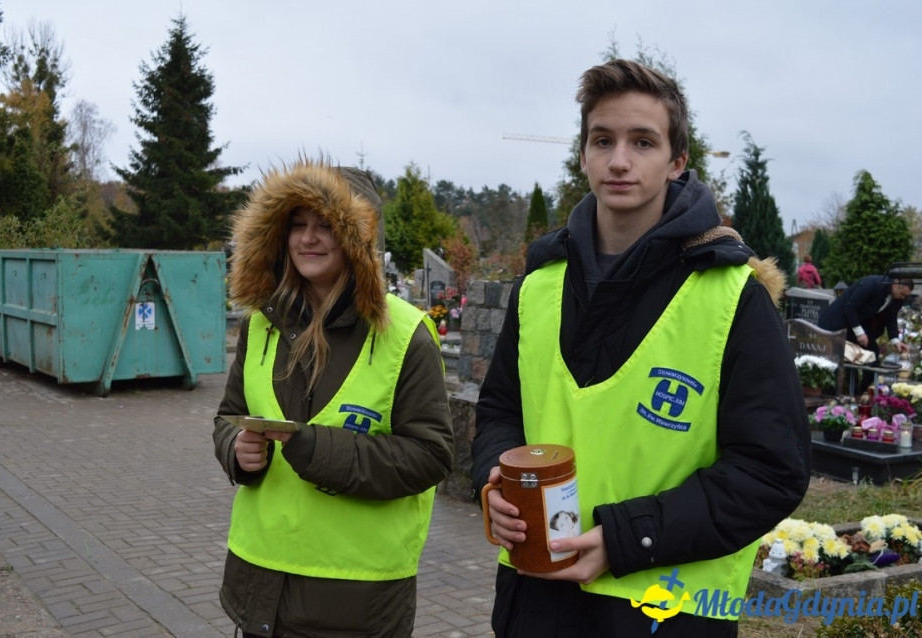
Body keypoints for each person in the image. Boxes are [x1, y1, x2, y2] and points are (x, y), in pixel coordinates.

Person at [470, 59, 810, 637]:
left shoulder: (733, 298)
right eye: (602, 140)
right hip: (537, 602)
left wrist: (629, 538)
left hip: (666, 613)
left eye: (643, 142)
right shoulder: (539, 288)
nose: (619, 161)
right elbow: (502, 411)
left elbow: (771, 469)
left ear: (677, 162)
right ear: (582, 155)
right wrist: (493, 481)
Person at [212, 158, 455, 638]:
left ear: (358, 240)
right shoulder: (259, 324)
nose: (308, 238)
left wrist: (319, 450)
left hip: (354, 602)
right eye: (296, 225)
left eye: (325, 225)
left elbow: (430, 456)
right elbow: (227, 417)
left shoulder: (406, 335)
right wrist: (235, 451)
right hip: (258, 585)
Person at [818, 275, 912, 391]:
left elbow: (891, 317)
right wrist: (859, 333)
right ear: (895, 286)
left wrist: (895, 340)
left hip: (857, 322)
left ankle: (864, 390)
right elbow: (850, 307)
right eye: (902, 294)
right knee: (841, 355)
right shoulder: (872, 284)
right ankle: (835, 391)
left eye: (905, 296)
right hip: (837, 321)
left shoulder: (897, 299)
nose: (903, 298)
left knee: (873, 352)